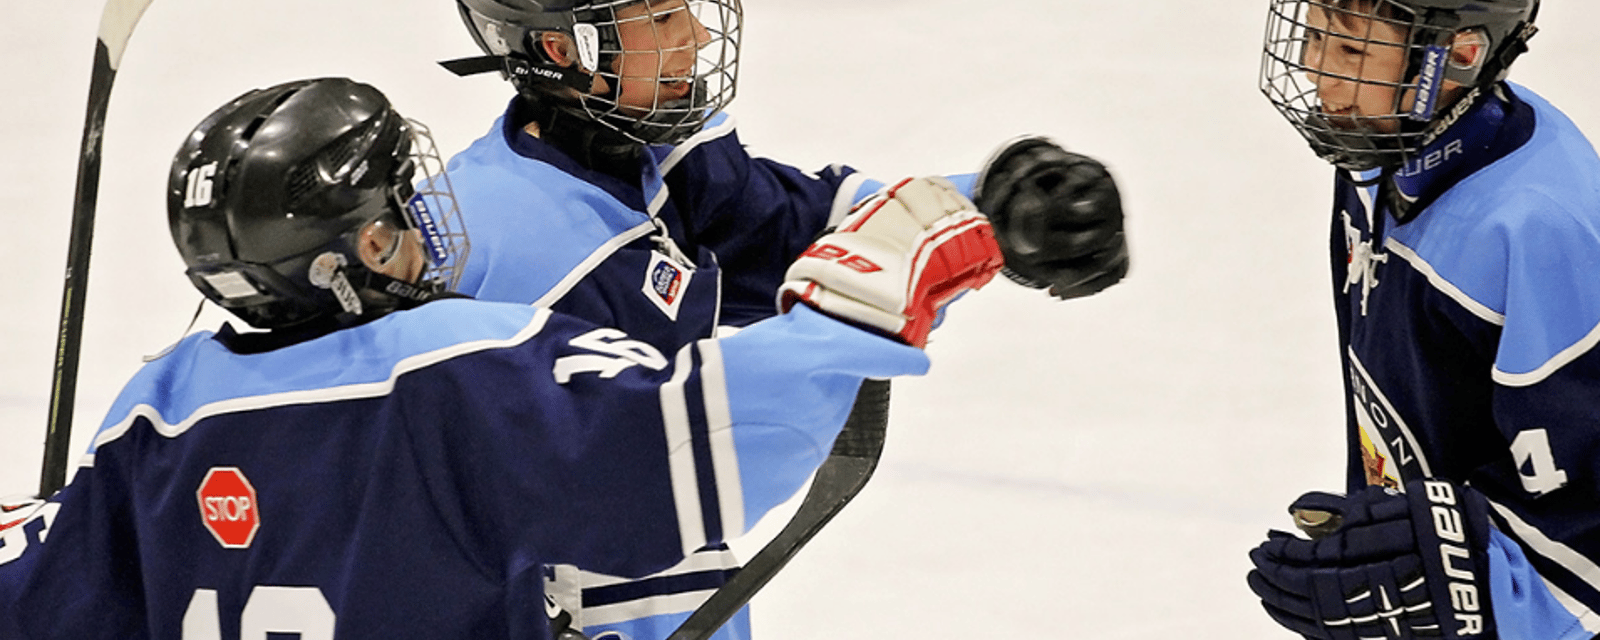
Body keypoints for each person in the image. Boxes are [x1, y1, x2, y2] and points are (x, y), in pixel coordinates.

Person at [0, 76, 1007, 639]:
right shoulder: (450, 369)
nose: (426, 234)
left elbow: (42, 598)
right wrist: (875, 283)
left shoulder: (156, 413)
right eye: (396, 220)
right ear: (344, 262)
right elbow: (711, 437)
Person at [437, 2, 1130, 637]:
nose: (698, 36)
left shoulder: (637, 152)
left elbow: (780, 232)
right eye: (662, 18)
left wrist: (991, 208)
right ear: (562, 50)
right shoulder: (521, 259)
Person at [1248, 1, 1600, 639]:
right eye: (1316, 33)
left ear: (1459, 56)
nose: (1313, 67)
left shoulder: (1540, 230)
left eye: (1351, 50)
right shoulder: (1385, 152)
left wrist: (1480, 596)